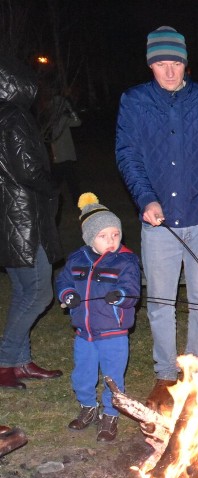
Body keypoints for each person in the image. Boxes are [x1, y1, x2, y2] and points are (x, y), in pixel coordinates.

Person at [115, 26, 198, 412]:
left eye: (175, 62)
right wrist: (146, 198)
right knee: (160, 301)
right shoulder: (135, 102)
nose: (169, 71)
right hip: (159, 223)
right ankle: (166, 375)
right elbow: (129, 155)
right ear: (150, 64)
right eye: (160, 63)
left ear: (185, 63)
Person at [0, 55, 63, 390]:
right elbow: (27, 168)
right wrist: (51, 184)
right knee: (39, 292)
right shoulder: (14, 116)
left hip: (8, 217)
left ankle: (20, 362)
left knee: (24, 290)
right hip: (24, 218)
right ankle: (6, 359)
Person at [55, 194, 141, 442]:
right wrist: (68, 294)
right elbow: (63, 281)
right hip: (84, 332)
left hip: (113, 332)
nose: (111, 241)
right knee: (83, 372)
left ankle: (111, 413)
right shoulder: (77, 259)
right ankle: (87, 407)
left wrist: (121, 295)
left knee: (113, 375)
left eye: (115, 234)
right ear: (90, 237)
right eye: (103, 236)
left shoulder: (126, 261)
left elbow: (132, 291)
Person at [45, 93, 82, 203]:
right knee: (67, 179)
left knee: (62, 179)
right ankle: (52, 198)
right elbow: (78, 122)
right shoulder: (62, 118)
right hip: (63, 155)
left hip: (61, 155)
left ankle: (51, 198)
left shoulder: (53, 119)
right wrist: (71, 110)